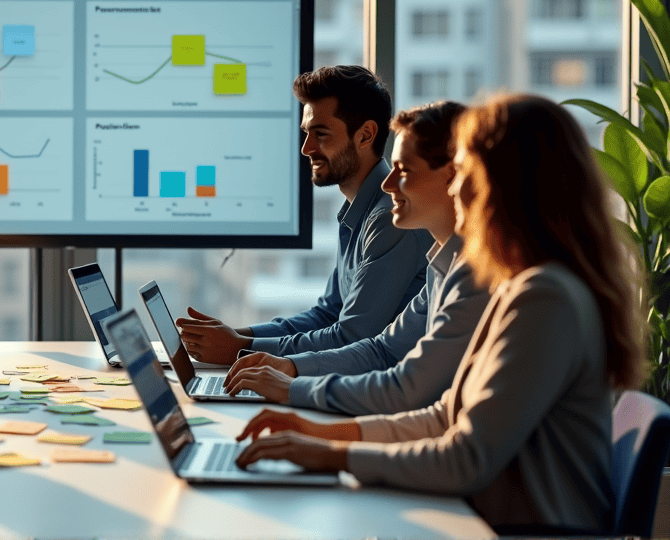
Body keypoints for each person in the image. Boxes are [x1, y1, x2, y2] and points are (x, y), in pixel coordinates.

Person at [234, 94, 645, 534]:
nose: (454, 188)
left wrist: (331, 454)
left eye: (464, 172)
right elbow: (445, 416)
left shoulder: (545, 298)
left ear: (504, 184)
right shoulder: (522, 285)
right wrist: (320, 435)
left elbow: (465, 458)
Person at [222, 101, 492, 415]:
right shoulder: (442, 265)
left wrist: (290, 385)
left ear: (453, 177)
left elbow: (405, 389)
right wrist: (289, 368)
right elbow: (383, 350)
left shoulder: (475, 277)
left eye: (403, 171)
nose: (388, 184)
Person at [177, 66, 433, 363]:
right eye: (306, 133)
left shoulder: (389, 218)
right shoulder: (358, 213)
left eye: (320, 134)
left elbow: (351, 337)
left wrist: (239, 347)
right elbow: (326, 314)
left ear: (365, 135)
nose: (306, 148)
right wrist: (235, 336)